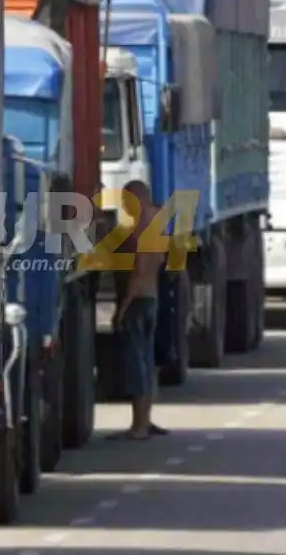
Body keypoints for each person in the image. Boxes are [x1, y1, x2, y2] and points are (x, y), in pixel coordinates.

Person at [108, 180, 168, 441]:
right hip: (152, 298)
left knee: (137, 364)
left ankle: (139, 426)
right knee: (147, 361)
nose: (124, 207)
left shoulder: (142, 227)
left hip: (137, 301)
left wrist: (122, 308)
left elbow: (138, 270)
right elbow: (158, 262)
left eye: (126, 201)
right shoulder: (158, 224)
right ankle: (144, 420)